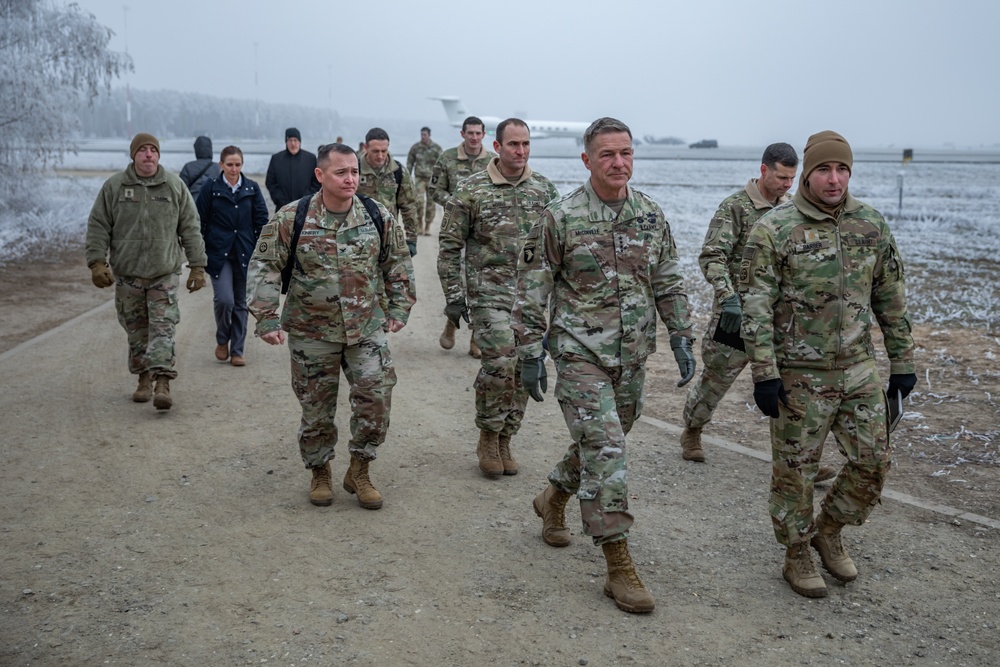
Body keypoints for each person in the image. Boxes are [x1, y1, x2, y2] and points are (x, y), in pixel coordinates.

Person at [512, 118, 696, 614]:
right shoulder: (561, 217)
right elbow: (532, 291)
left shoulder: (651, 216)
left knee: (604, 440)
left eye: (627, 153)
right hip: (579, 354)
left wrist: (681, 334)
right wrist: (530, 353)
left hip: (633, 355)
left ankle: (552, 496)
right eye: (608, 154)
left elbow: (669, 279)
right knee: (608, 451)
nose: (619, 163)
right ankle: (619, 564)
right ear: (587, 160)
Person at [739, 130, 917, 599]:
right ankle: (796, 551)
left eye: (842, 169)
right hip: (799, 375)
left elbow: (891, 299)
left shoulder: (871, 225)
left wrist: (902, 361)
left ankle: (829, 529)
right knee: (795, 472)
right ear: (808, 175)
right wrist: (765, 373)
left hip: (859, 370)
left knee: (874, 462)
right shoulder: (774, 229)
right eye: (823, 169)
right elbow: (755, 306)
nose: (834, 178)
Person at [247, 143, 415, 510]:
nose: (351, 179)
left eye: (354, 172)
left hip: (365, 327)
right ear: (320, 175)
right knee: (316, 408)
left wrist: (400, 306)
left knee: (376, 399)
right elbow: (265, 267)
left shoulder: (376, 215)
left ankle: (360, 468)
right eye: (341, 172)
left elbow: (397, 263)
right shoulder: (293, 217)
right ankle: (319, 470)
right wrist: (266, 316)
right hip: (312, 332)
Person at [680, 143, 837, 482]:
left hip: (781, 319)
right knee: (716, 380)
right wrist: (728, 297)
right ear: (764, 170)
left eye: (793, 179)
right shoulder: (736, 208)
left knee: (790, 388)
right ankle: (693, 428)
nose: (787, 185)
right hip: (737, 315)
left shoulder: (795, 210)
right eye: (782, 177)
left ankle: (800, 460)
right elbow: (712, 257)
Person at [437, 118, 559, 478]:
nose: (520, 152)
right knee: (500, 362)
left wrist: (559, 304)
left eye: (525, 145)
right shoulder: (471, 190)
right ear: (497, 146)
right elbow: (449, 248)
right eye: (513, 145)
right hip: (488, 294)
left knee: (525, 363)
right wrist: (455, 296)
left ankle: (507, 437)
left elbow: (558, 251)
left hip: (531, 299)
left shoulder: (544, 190)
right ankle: (488, 435)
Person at [85, 132, 207, 410]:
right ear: (134, 155)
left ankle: (162, 381)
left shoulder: (173, 186)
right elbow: (98, 225)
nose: (149, 154)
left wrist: (197, 266)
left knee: (163, 328)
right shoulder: (114, 187)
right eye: (143, 150)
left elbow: (190, 227)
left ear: (159, 155)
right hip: (128, 276)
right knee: (136, 330)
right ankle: (142, 379)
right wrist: (96, 262)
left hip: (163, 274)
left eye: (153, 150)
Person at [195, 145, 269, 367]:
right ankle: (221, 338)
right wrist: (200, 251)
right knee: (224, 300)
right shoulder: (211, 187)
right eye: (230, 165)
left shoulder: (252, 188)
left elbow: (262, 221)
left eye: (237, 165)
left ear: (242, 165)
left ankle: (237, 349)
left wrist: (262, 251)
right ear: (221, 165)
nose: (234, 169)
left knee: (241, 304)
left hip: (245, 252)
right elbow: (199, 220)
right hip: (219, 253)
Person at [430, 116, 496, 359]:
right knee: (453, 277)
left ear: (484, 134)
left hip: (482, 230)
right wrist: (457, 205)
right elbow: (435, 189)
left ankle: (475, 336)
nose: (474, 137)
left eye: (478, 133)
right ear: (463, 134)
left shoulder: (492, 161)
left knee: (479, 282)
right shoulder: (447, 158)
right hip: (455, 226)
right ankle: (452, 319)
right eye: (470, 133)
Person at [357, 127, 419, 256]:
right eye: (375, 151)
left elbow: (409, 207)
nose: (380, 156)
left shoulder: (398, 171)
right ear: (365, 147)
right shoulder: (354, 170)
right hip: (358, 238)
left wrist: (412, 240)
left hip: (389, 238)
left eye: (384, 151)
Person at [265, 127, 320, 211]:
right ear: (286, 142)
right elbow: (270, 182)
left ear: (300, 142)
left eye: (295, 140)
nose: (293, 144)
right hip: (282, 208)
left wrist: (308, 198)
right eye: (290, 140)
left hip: (306, 208)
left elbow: (317, 182)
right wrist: (278, 198)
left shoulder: (311, 159)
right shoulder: (276, 159)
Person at [406, 126, 442, 236]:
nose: (423, 137)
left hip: (432, 180)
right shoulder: (416, 148)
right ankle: (420, 225)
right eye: (422, 134)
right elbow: (410, 162)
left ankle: (427, 226)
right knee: (419, 201)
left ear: (429, 135)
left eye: (425, 135)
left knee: (431, 203)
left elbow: (442, 164)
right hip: (419, 178)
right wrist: (407, 177)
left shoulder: (436, 148)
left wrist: (441, 179)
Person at [178, 135, 221, 199]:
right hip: (213, 204)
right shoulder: (218, 167)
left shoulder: (188, 167)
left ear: (196, 150)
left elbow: (181, 190)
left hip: (193, 204)